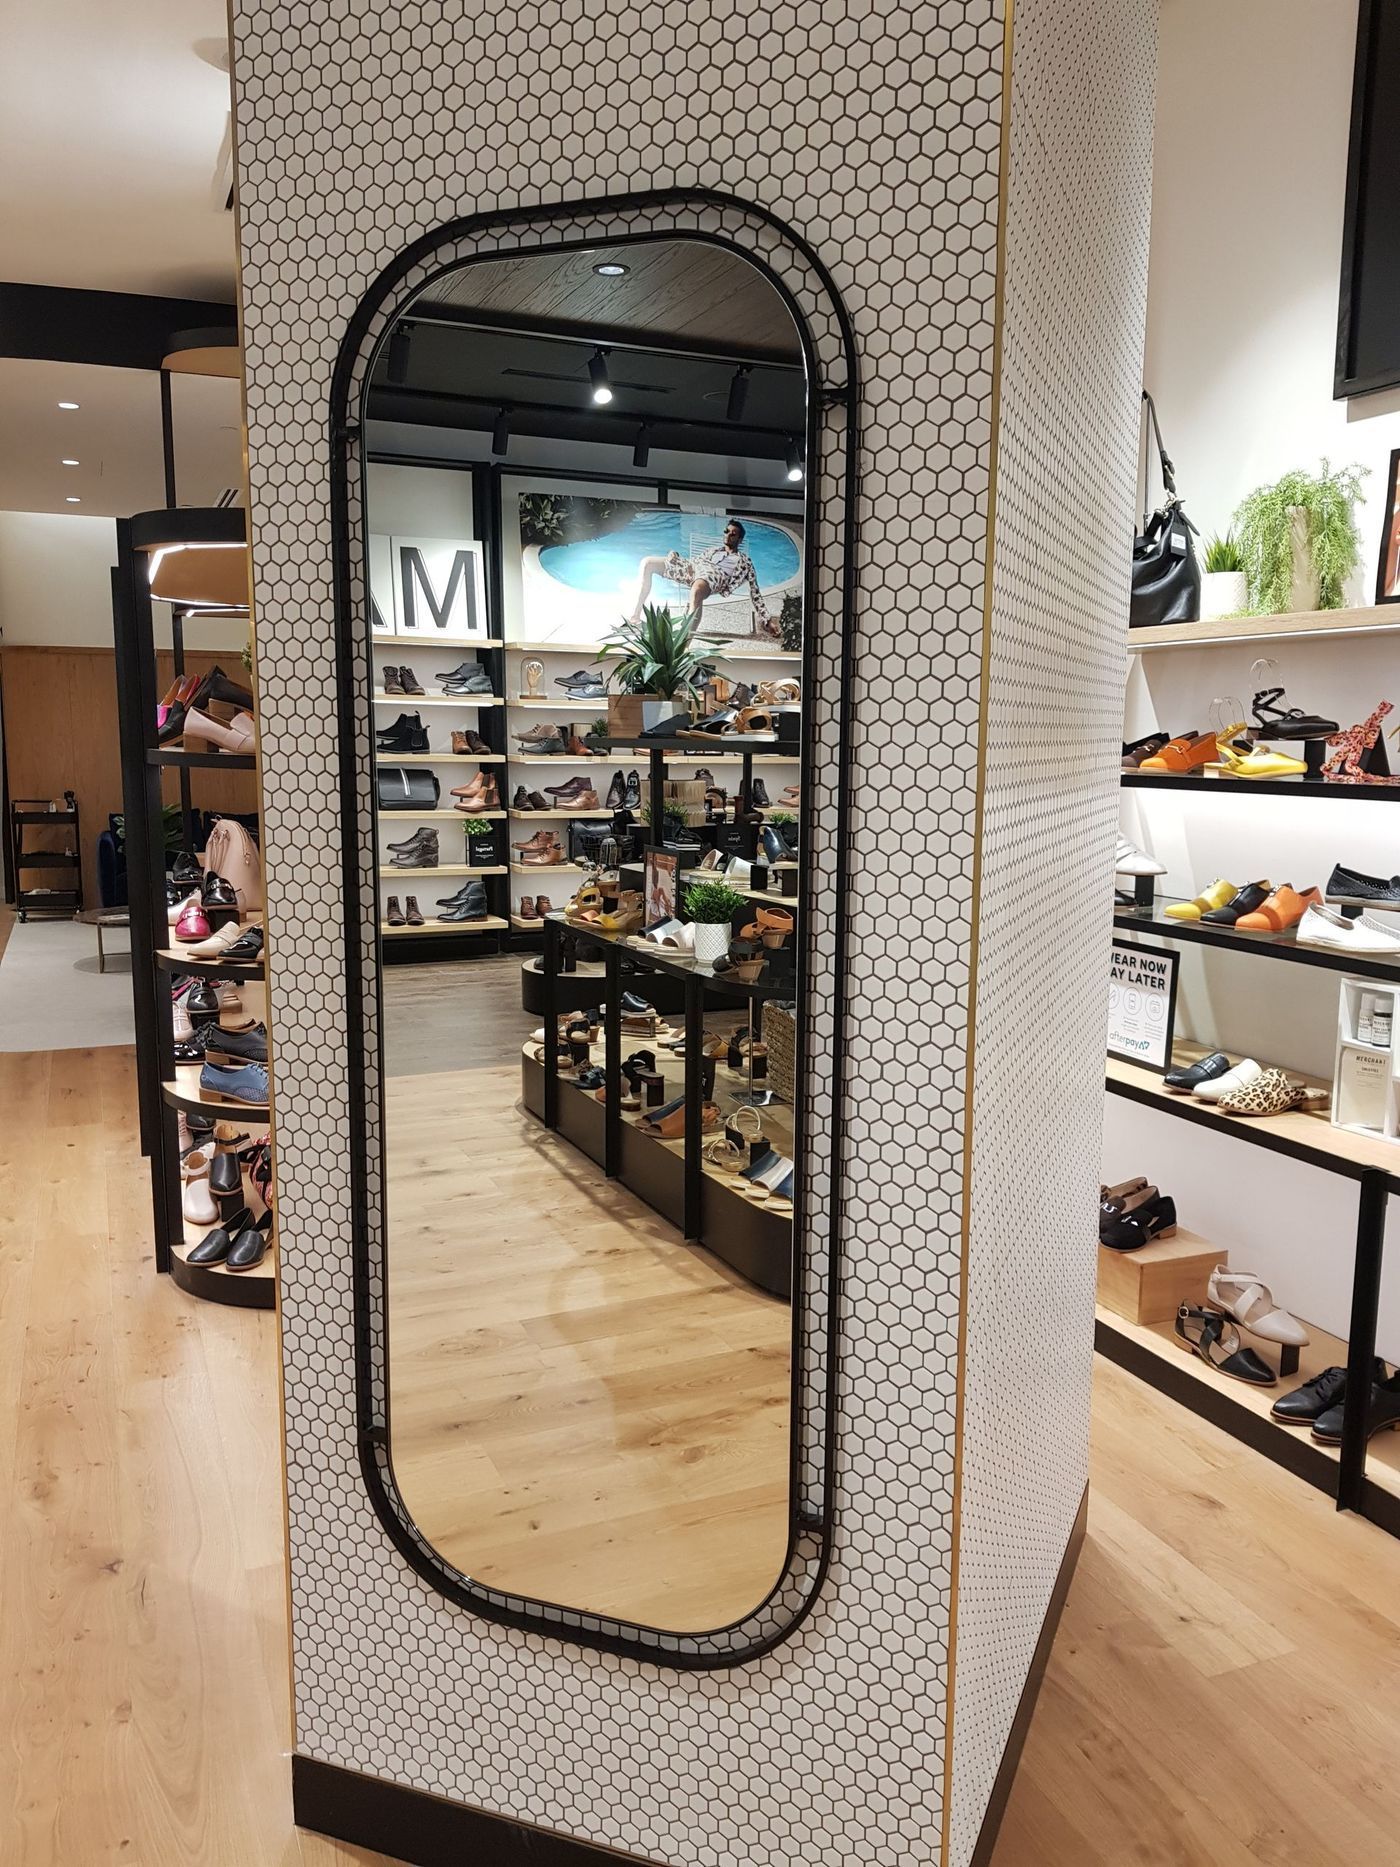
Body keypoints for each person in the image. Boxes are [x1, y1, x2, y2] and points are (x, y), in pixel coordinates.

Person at [629, 519, 774, 634]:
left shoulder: (745, 562)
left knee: (697, 588)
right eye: (726, 531)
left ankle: (684, 645)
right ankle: (635, 617)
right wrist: (679, 561)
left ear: (740, 540)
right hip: (695, 568)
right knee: (647, 562)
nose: (728, 535)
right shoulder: (712, 550)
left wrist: (767, 620)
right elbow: (696, 563)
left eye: (733, 534)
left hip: (716, 575)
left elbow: (755, 593)